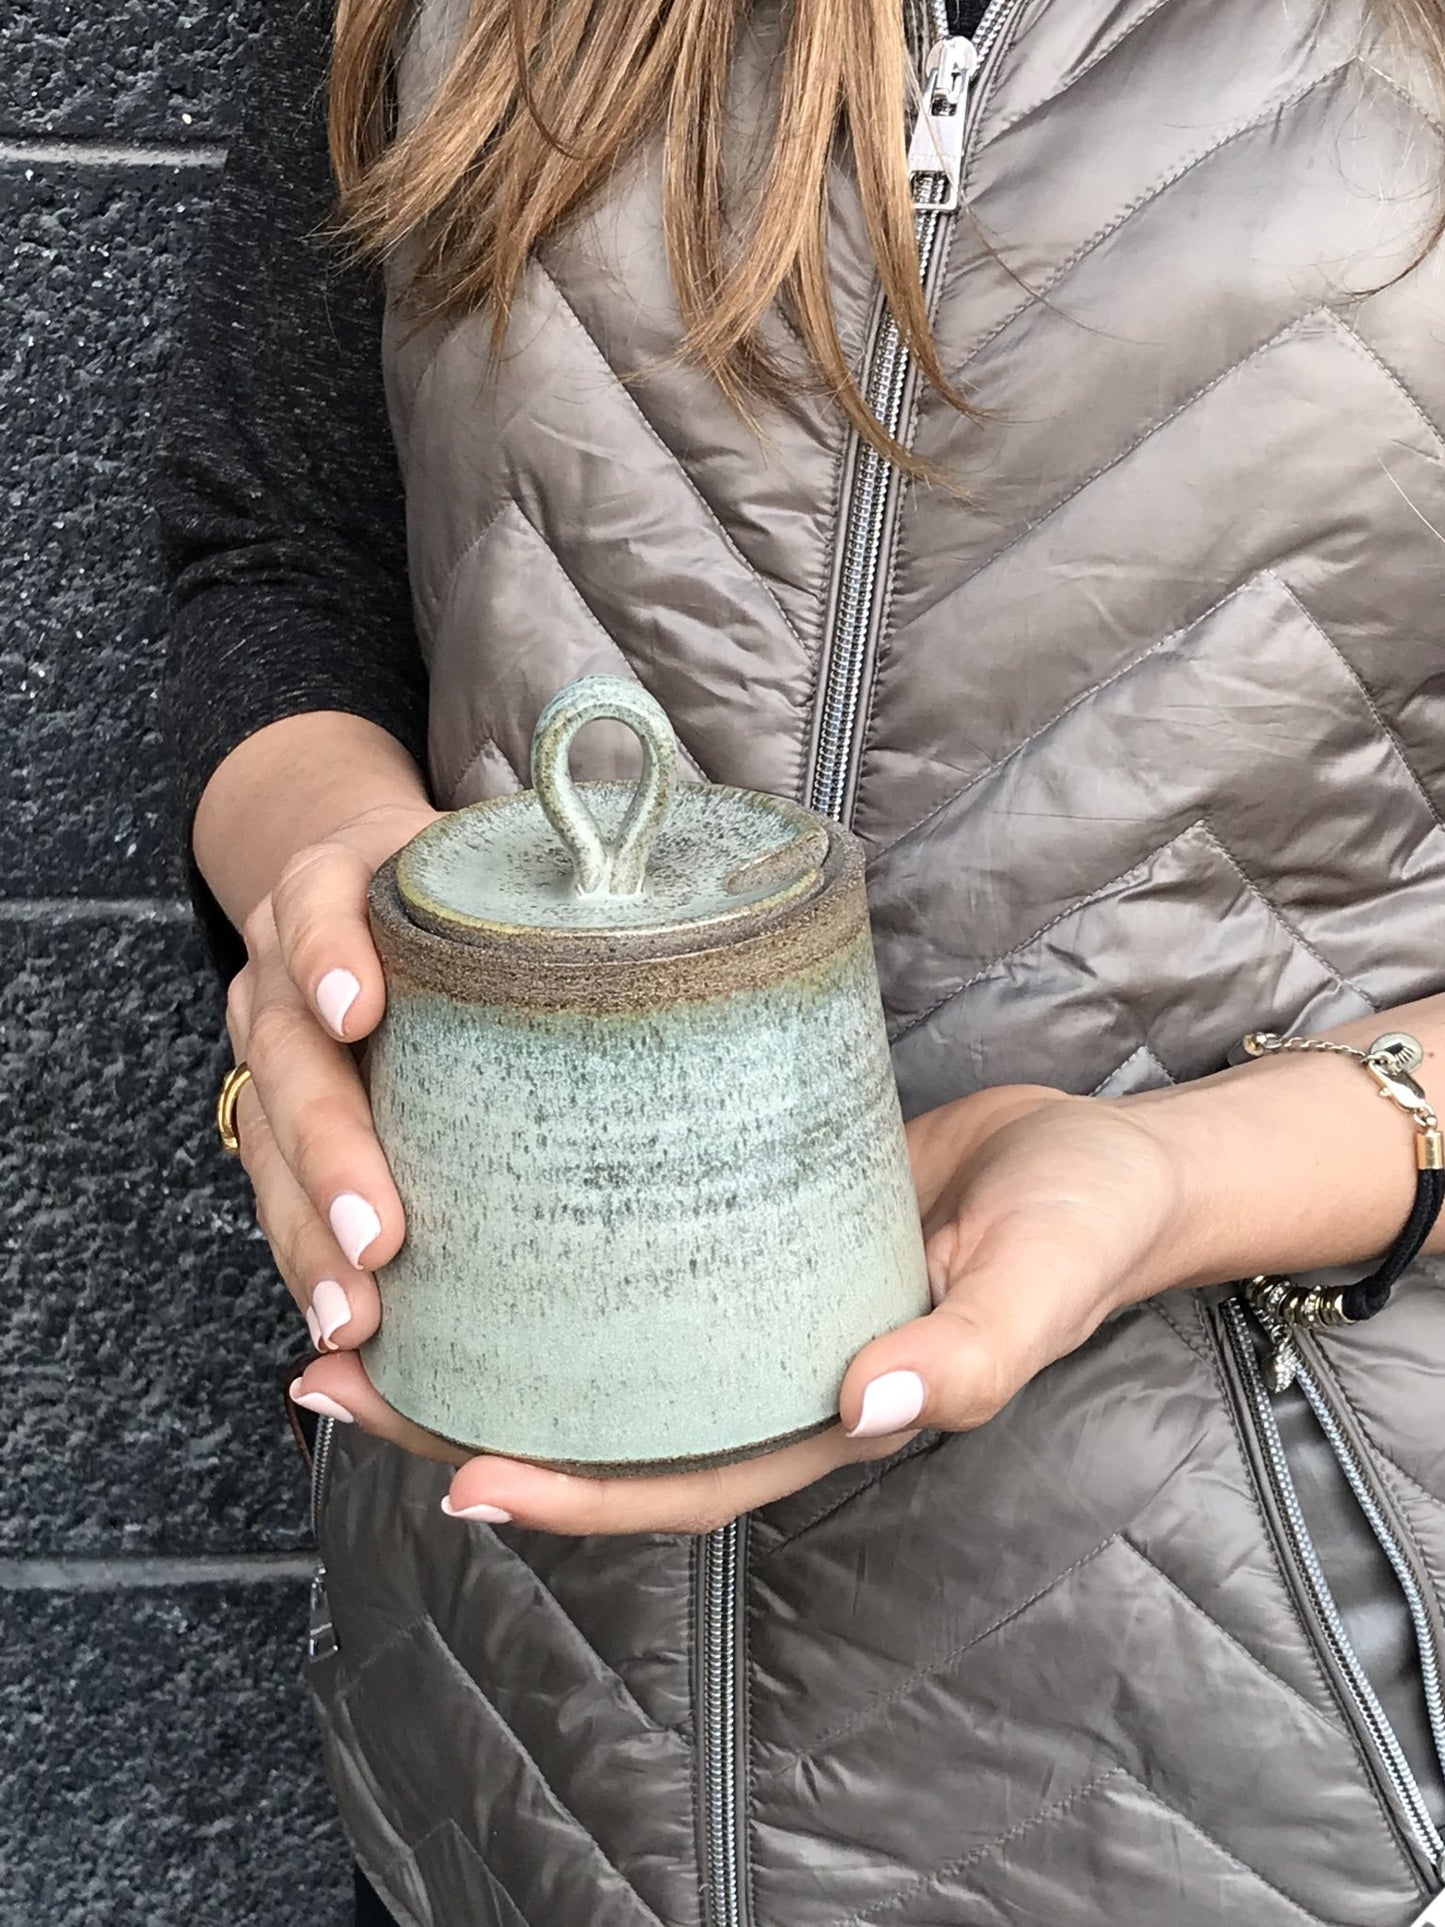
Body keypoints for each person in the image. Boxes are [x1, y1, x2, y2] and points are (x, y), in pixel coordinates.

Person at [157, 0, 1445, 1918]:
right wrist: (330, 903)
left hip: (1269, 1740)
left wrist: (1186, 1176)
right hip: (507, 1743)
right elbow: (279, 558)